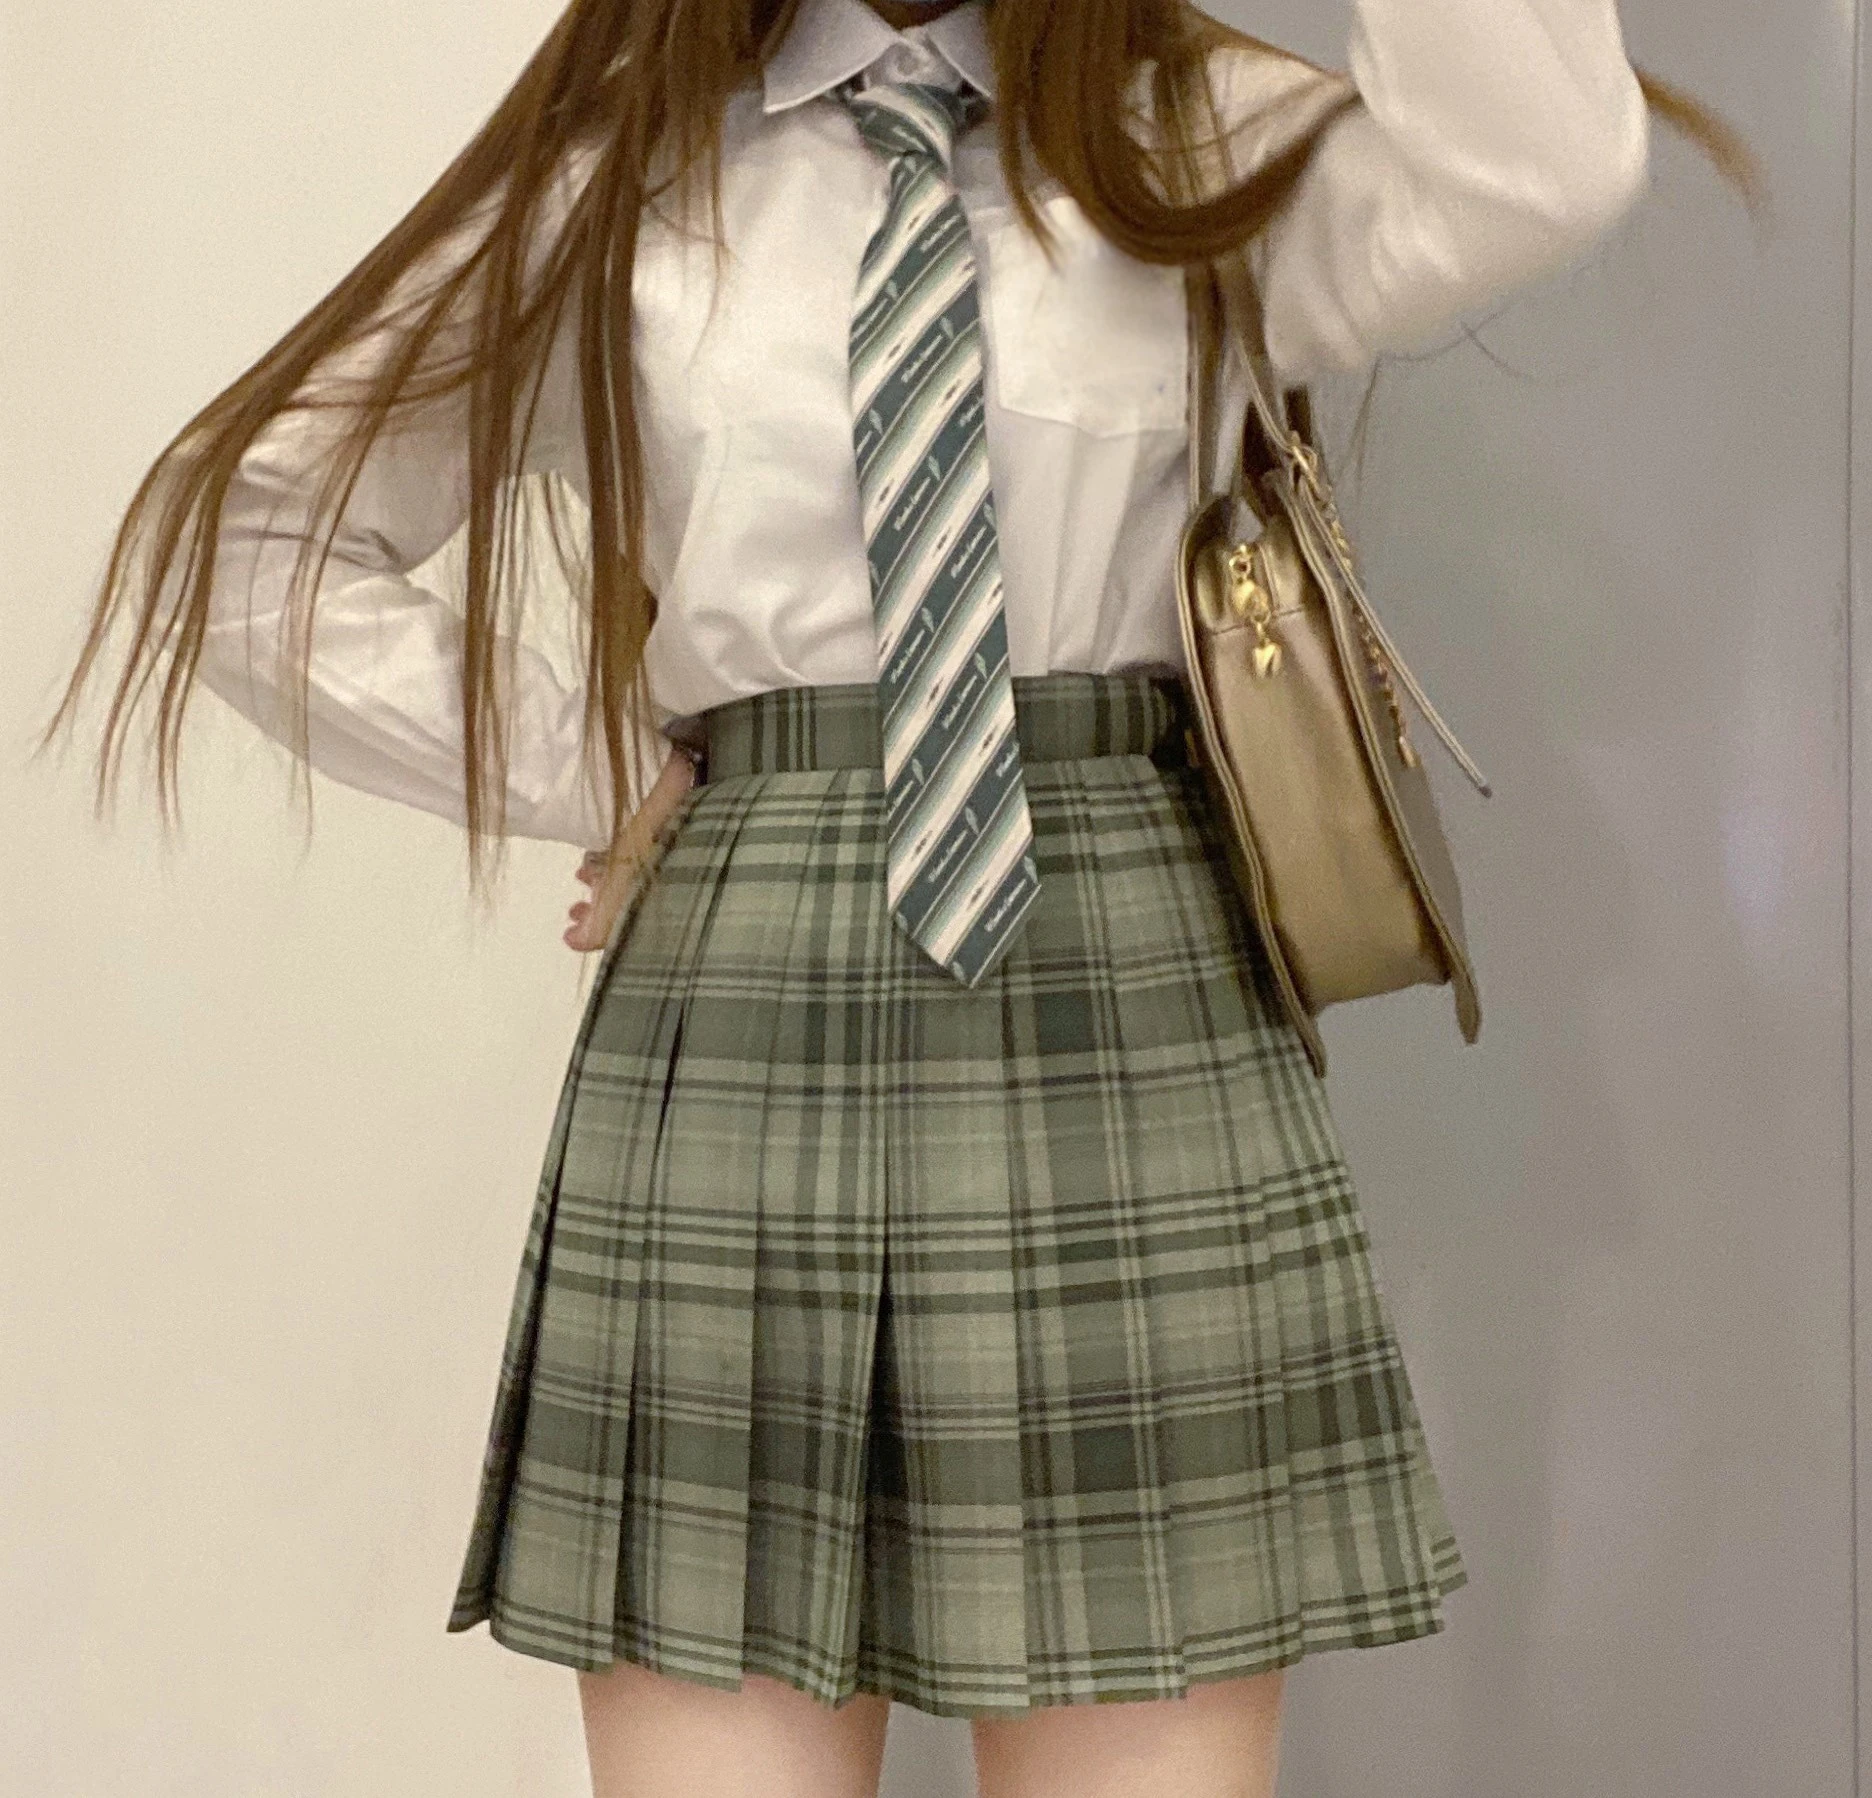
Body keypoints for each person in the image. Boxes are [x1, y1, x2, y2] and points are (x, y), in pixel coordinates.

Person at [37, 1, 1753, 1794]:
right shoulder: (626, 180)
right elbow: (249, 532)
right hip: (746, 993)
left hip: (1126, 985)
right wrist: (606, 759)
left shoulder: (1193, 139)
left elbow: (1535, 164)